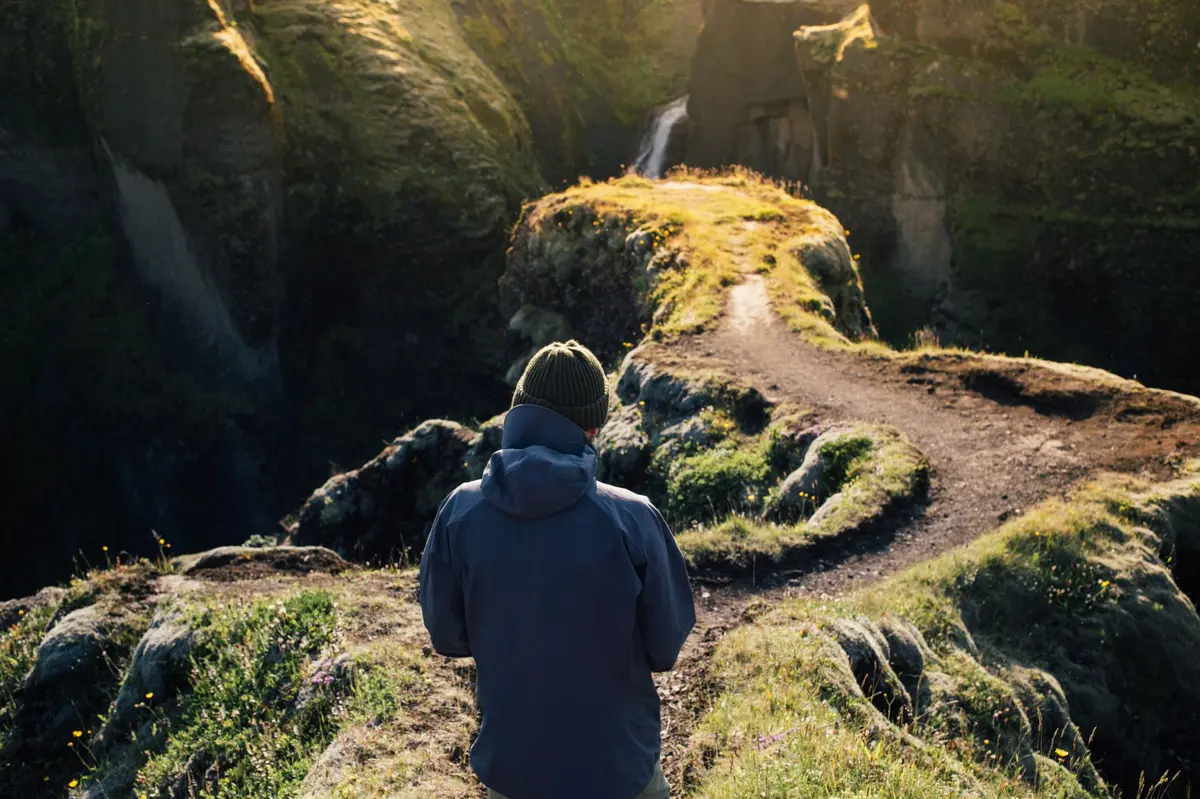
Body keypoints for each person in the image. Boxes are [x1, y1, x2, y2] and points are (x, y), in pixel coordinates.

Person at [419, 339, 696, 799]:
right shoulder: (634, 518)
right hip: (618, 768)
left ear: (518, 412)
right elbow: (665, 649)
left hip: (513, 769)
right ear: (593, 427)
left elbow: (447, 636)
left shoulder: (459, 513)